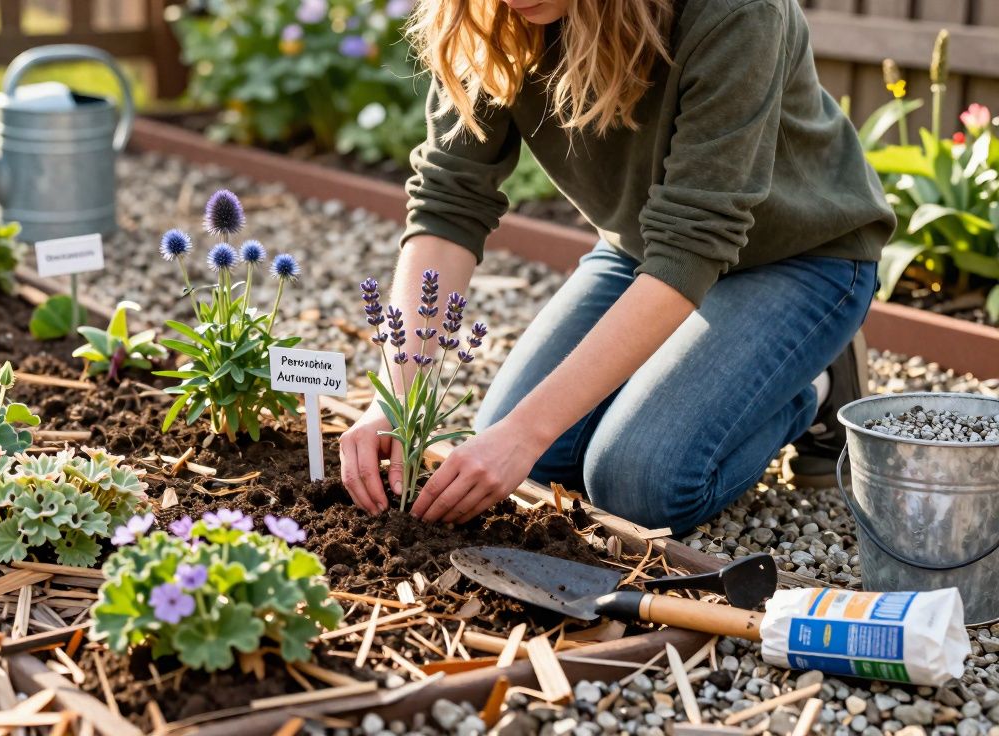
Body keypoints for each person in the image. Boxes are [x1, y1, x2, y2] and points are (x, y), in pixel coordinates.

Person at [338, 0, 894, 533]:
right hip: (645, 253)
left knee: (636, 484)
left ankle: (812, 385)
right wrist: (398, 398)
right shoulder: (489, 13)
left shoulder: (737, 11)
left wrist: (525, 431)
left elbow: (693, 243)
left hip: (799, 257)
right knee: (530, 467)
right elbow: (449, 201)